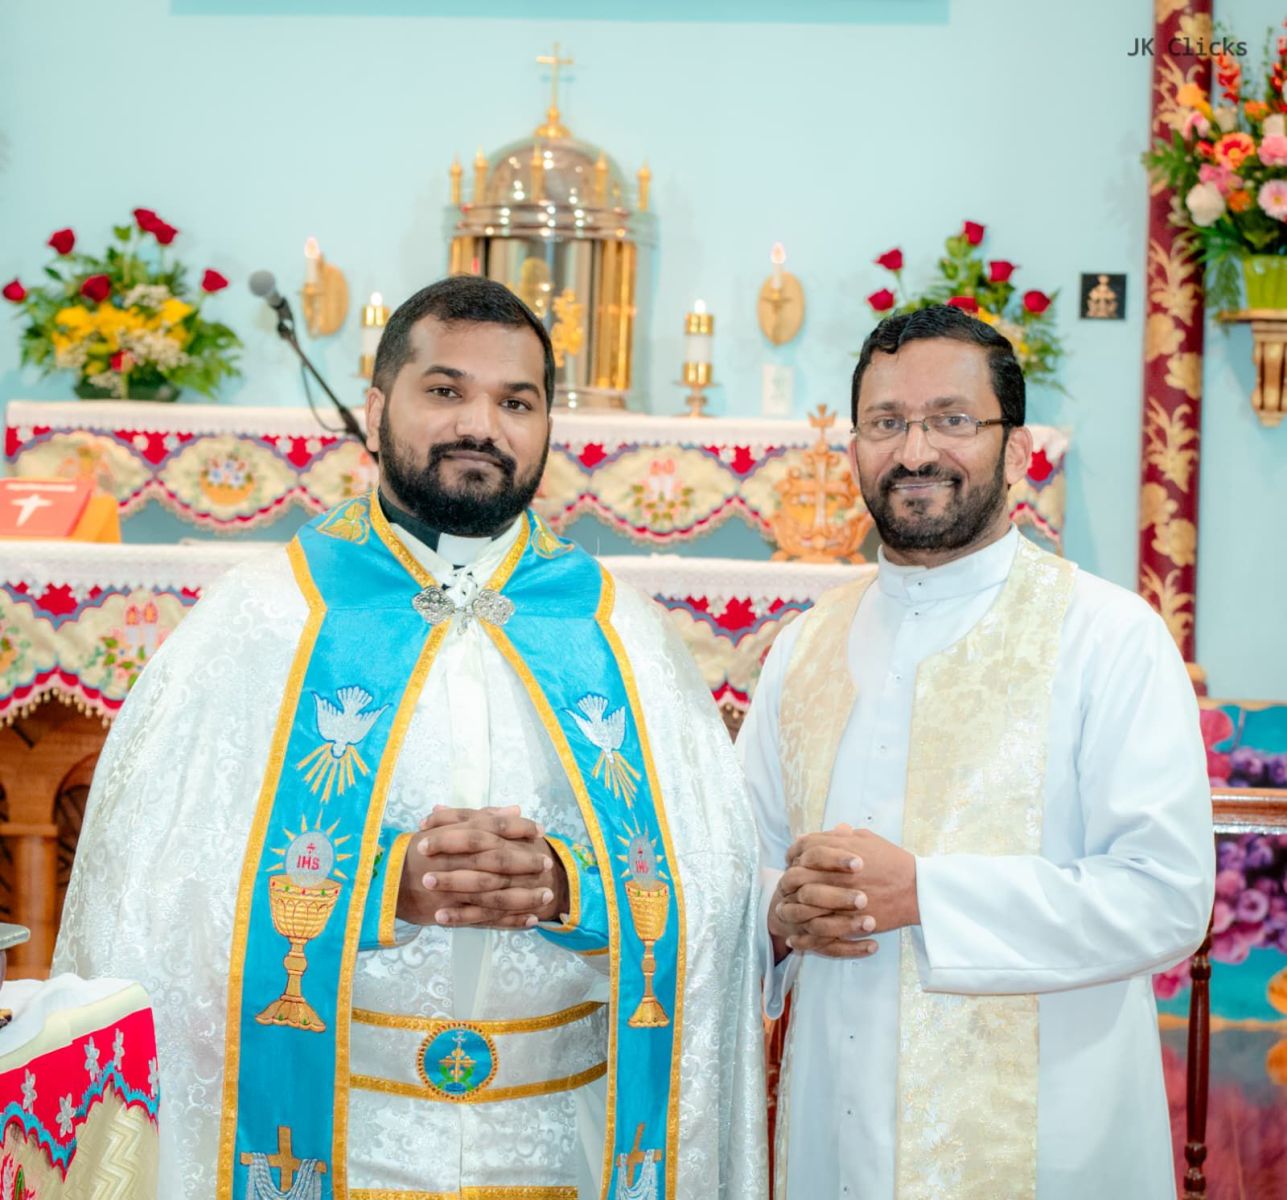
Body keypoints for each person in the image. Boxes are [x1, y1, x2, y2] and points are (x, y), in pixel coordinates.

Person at [55, 275, 767, 1200]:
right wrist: (377, 887)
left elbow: (719, 881)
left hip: (564, 1140)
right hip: (331, 1133)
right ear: (375, 407)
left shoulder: (621, 631)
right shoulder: (262, 619)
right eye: (445, 390)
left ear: (548, 425)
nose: (481, 424)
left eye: (516, 402)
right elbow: (144, 893)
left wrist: (570, 887)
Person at [741, 304, 1214, 1200]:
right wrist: (777, 911)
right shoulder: (802, 649)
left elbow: (1164, 896)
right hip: (831, 1129)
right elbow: (744, 863)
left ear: (1017, 450)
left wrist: (925, 894)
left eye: (951, 420)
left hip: (1047, 1140)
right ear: (853, 449)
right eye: (885, 423)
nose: (914, 450)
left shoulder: (1107, 636)